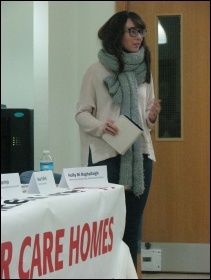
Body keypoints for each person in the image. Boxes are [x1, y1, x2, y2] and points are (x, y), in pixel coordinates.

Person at [75, 10, 161, 274]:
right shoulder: (96, 71)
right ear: (117, 34)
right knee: (105, 225)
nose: (139, 37)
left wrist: (152, 116)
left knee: (132, 225)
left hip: (140, 155)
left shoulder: (145, 72)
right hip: (105, 155)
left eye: (141, 31)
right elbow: (81, 113)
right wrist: (101, 126)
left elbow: (145, 116)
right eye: (132, 31)